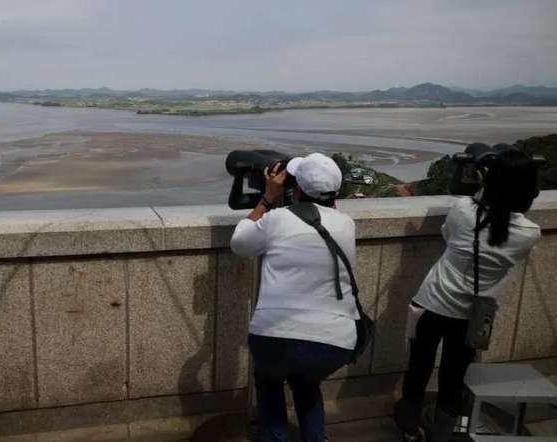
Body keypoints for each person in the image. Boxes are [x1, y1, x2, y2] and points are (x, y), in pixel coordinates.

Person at [394, 147, 542, 442]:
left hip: (433, 303)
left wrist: (483, 189)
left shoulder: (463, 211)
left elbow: (449, 236)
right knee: (453, 379)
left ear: (487, 180)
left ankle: (409, 429)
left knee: (418, 368)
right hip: (473, 315)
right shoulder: (530, 232)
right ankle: (442, 435)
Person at [230, 153, 358, 442]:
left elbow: (239, 243)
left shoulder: (277, 219)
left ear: (296, 188)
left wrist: (267, 198)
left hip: (276, 335)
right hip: (335, 342)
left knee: (270, 385)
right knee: (307, 385)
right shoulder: (347, 224)